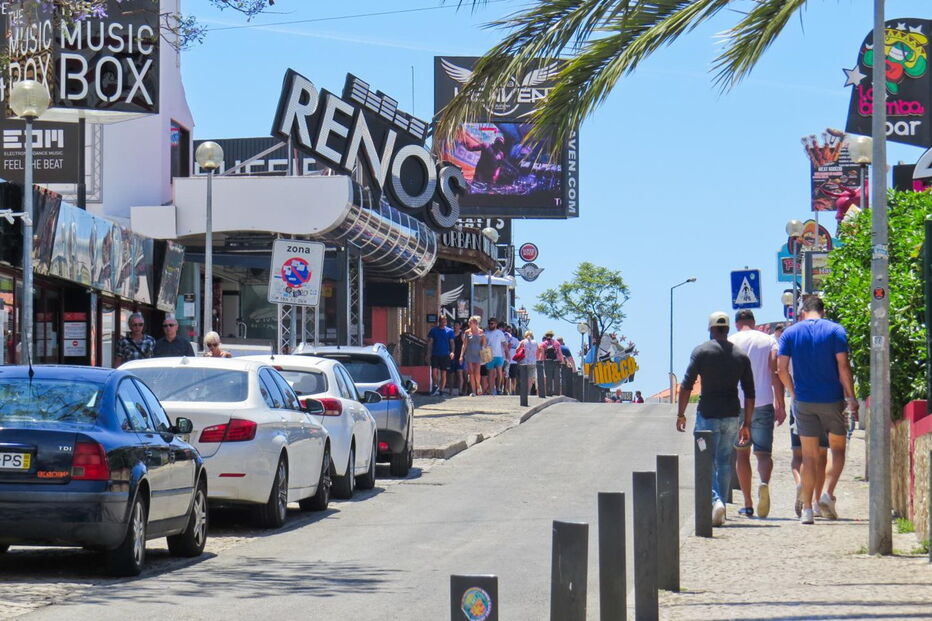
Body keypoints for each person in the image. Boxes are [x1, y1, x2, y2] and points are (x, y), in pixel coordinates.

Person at [777, 296, 858, 525]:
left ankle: (807, 511)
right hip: (832, 399)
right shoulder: (836, 331)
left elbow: (781, 369)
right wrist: (851, 396)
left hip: (804, 402)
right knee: (838, 450)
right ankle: (827, 494)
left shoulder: (790, 333)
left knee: (809, 457)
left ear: (803, 311)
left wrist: (793, 392)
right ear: (823, 311)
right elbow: (843, 366)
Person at [676, 311, 754, 527]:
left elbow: (686, 385)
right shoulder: (740, 355)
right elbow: (750, 392)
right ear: (727, 329)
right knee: (724, 461)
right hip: (731, 415)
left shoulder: (701, 352)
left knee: (705, 460)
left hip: (707, 415)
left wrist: (681, 413)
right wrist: (747, 423)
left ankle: (716, 501)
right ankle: (721, 506)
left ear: (711, 329)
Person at [728, 310, 786, 518]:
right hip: (763, 402)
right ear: (753, 322)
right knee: (763, 454)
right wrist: (780, 404)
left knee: (742, 453)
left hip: (738, 404)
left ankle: (748, 503)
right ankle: (764, 483)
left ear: (737, 324)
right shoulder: (768, 341)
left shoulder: (730, 342)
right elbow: (775, 373)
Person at [427, 316, 455, 396]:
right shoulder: (433, 330)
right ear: (439, 321)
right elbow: (430, 342)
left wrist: (452, 352)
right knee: (434, 372)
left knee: (443, 373)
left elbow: (452, 342)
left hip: (445, 355)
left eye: (444, 321)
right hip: (435, 354)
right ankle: (435, 386)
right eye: (442, 321)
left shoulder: (449, 331)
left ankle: (441, 390)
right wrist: (428, 353)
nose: (443, 323)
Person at [460, 316, 486, 396]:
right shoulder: (467, 332)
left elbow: (484, 343)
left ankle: (478, 385)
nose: (469, 324)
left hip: (478, 353)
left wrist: (484, 352)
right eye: (469, 322)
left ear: (475, 323)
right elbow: (464, 344)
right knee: (471, 372)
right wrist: (461, 355)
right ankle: (473, 391)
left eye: (470, 322)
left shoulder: (481, 331)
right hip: (469, 353)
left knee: (477, 372)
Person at [484, 318, 508, 396]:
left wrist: (507, 353)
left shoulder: (500, 333)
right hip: (489, 354)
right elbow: (484, 344)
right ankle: (491, 390)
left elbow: (504, 344)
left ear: (496, 324)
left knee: (499, 372)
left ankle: (498, 388)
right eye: (489, 324)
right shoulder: (486, 333)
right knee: (490, 374)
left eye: (492, 323)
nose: (490, 325)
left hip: (499, 355)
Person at [448, 320, 465, 396]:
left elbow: (464, 345)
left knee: (459, 373)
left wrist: (463, 355)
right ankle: (450, 391)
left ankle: (460, 391)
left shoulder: (462, 335)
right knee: (451, 375)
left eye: (457, 325)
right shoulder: (451, 334)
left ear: (460, 326)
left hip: (459, 357)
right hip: (452, 357)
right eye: (454, 325)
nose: (455, 327)